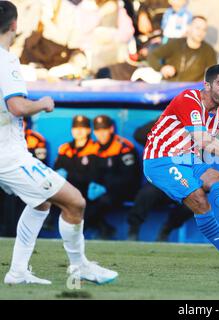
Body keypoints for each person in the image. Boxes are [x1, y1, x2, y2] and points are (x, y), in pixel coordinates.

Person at [0, 1, 117, 285]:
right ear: (15, 25)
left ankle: (17, 272)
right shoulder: (5, 59)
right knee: (75, 202)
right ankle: (80, 266)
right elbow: (16, 105)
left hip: (8, 153)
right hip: (9, 155)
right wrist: (42, 103)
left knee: (40, 204)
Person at [143, 64, 219, 273]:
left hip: (189, 158)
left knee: (216, 177)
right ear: (206, 85)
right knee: (199, 198)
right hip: (161, 159)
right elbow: (205, 141)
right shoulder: (188, 100)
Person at [128, 120, 193, 242]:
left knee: (194, 201)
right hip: (161, 181)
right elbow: (139, 135)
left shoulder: (196, 133)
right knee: (146, 194)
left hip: (182, 183)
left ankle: (166, 230)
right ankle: (133, 230)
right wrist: (164, 120)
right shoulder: (162, 136)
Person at [86, 115, 141, 239]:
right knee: (80, 200)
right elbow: (92, 173)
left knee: (100, 203)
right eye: (98, 130)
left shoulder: (123, 147)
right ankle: (104, 229)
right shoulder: (94, 147)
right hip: (102, 190)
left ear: (111, 129)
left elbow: (129, 178)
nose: (101, 133)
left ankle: (101, 231)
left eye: (104, 129)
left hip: (124, 190)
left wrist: (105, 187)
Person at [145, 15, 217, 82]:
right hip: (169, 88)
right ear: (189, 27)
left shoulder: (209, 51)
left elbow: (214, 74)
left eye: (204, 30)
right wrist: (161, 68)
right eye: (197, 28)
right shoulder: (175, 43)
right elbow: (152, 55)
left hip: (191, 92)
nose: (201, 32)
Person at [54, 115, 98, 199]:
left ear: (89, 130)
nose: (78, 131)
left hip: (86, 194)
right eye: (75, 128)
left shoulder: (96, 148)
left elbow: (94, 176)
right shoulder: (64, 148)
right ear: (72, 130)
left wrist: (69, 175)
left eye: (82, 127)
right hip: (65, 193)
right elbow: (57, 170)